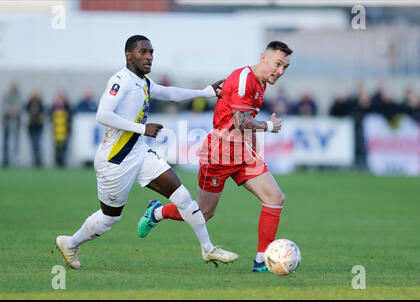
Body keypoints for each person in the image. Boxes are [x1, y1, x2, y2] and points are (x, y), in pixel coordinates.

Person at [55, 35, 238, 269]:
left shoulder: (144, 82)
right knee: (109, 218)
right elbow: (102, 114)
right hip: (115, 160)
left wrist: (205, 92)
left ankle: (208, 249)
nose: (149, 56)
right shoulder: (120, 80)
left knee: (182, 196)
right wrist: (142, 128)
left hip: (138, 152)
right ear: (128, 55)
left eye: (151, 52)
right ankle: (70, 243)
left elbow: (170, 93)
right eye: (143, 52)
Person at [138, 41, 291, 273]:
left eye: (285, 67)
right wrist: (270, 125)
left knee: (275, 198)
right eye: (278, 64)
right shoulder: (244, 80)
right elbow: (241, 122)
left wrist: (252, 147)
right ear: (263, 57)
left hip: (243, 154)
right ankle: (157, 212)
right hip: (218, 155)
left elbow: (240, 124)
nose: (280, 72)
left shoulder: (260, 83)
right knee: (204, 212)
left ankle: (262, 261)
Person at [1, 81, 22, 167]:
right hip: (7, 123)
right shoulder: (6, 95)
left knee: (16, 141)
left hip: (16, 123)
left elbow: (20, 106)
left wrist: (16, 110)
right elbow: (4, 107)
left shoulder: (19, 96)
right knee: (6, 142)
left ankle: (15, 159)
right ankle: (5, 159)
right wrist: (10, 111)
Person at [50, 93, 72, 167]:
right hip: (56, 131)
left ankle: (62, 162)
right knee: (57, 148)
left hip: (65, 131)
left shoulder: (67, 107)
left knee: (64, 147)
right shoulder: (54, 107)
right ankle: (57, 162)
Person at [25, 91, 44, 167]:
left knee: (37, 143)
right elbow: (26, 109)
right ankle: (34, 159)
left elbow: (43, 110)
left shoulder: (40, 103)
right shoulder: (29, 103)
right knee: (33, 144)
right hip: (31, 126)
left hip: (38, 126)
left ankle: (38, 159)